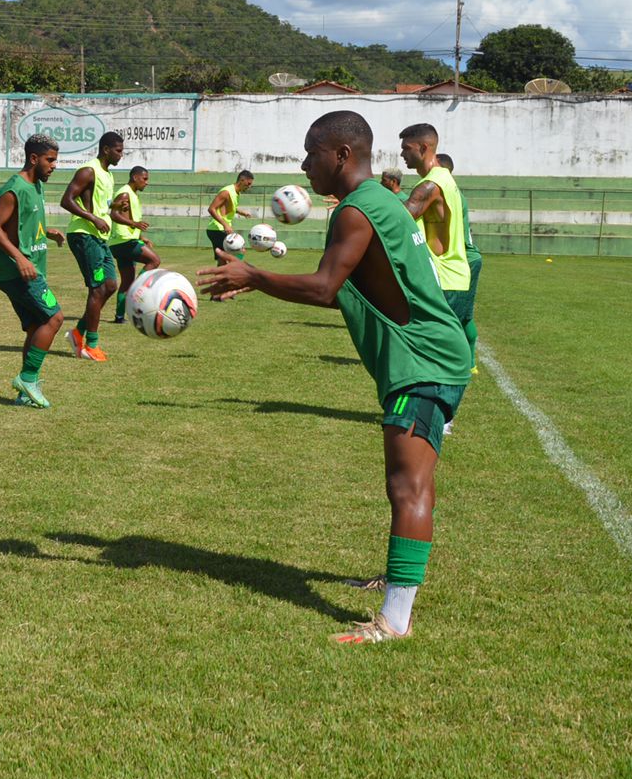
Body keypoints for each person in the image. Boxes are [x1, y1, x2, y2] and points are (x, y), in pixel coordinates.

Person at [197, 110, 470, 644]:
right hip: (428, 356)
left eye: (310, 153)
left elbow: (324, 288)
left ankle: (394, 621)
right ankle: (397, 583)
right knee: (412, 483)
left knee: (405, 484)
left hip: (424, 362)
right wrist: (261, 284)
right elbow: (344, 288)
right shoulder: (377, 202)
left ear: (342, 155)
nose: (303, 165)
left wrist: (253, 272)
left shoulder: (355, 211)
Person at [399, 124, 474, 435]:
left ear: (423, 148)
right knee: (437, 348)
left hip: (443, 280)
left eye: (407, 148)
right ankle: (436, 414)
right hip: (455, 276)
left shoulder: (429, 186)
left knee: (431, 350)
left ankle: (439, 417)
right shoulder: (446, 179)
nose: (402, 154)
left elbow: (398, 220)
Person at [0, 134, 66, 408]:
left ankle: (25, 393)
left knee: (36, 326)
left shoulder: (36, 185)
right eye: (50, 160)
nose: (55, 165)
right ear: (34, 159)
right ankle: (28, 379)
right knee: (55, 318)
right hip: (17, 271)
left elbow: (24, 223)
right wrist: (20, 258)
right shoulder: (14, 189)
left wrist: (48, 231)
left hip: (27, 268)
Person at [60, 131, 125, 361]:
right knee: (98, 288)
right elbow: (66, 200)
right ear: (106, 149)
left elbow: (101, 207)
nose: (121, 155)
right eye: (118, 150)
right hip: (84, 235)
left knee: (110, 286)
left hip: (99, 237)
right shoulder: (89, 170)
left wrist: (113, 207)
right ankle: (90, 345)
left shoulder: (107, 175)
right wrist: (93, 218)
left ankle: (78, 332)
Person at [438, 153, 481, 378]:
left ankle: (462, 363)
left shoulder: (444, 191)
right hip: (464, 259)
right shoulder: (452, 191)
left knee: (453, 315)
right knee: (462, 315)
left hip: (464, 260)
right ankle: (468, 362)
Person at [107, 165, 161, 323]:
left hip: (121, 242)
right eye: (144, 179)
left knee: (127, 281)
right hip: (124, 242)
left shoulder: (131, 194)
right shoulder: (125, 193)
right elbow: (114, 214)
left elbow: (118, 212)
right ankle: (139, 289)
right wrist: (134, 224)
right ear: (135, 177)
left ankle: (119, 317)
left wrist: (140, 236)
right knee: (154, 260)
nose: (147, 182)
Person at [205, 170, 256, 260]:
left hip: (220, 229)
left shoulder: (236, 193)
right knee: (238, 251)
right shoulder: (227, 192)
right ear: (242, 180)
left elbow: (228, 207)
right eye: (248, 183)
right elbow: (211, 209)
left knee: (223, 260)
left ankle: (228, 273)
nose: (249, 186)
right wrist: (225, 225)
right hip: (217, 229)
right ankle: (236, 272)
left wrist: (241, 212)